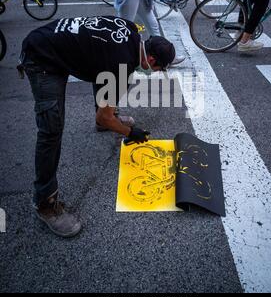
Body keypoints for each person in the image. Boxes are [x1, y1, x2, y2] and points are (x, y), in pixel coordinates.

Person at [18, 15, 176, 237]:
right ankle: (45, 202)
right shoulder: (121, 65)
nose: (157, 72)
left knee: (108, 73)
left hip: (53, 39)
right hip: (42, 56)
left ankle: (107, 113)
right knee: (51, 130)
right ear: (150, 59)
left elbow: (100, 61)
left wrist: (110, 115)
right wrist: (130, 132)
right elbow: (106, 113)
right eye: (159, 68)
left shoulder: (131, 31)